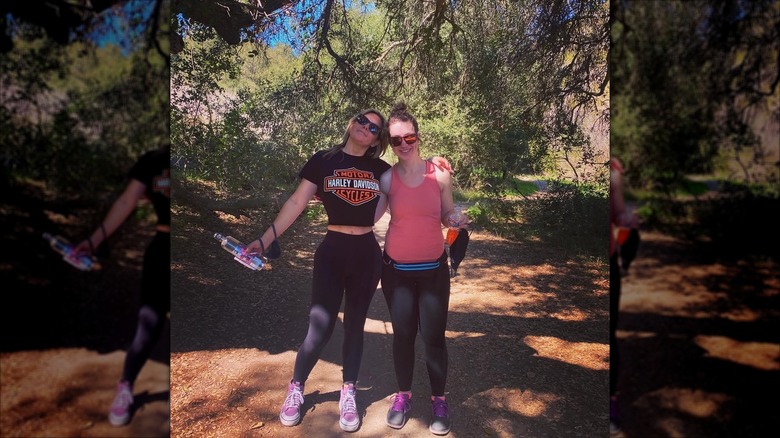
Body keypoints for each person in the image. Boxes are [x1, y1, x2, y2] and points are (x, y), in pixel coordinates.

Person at [244, 109, 390, 432]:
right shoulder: (324, 160)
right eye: (362, 120)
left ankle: (348, 392)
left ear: (376, 140)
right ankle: (296, 387)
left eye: (373, 128)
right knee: (319, 328)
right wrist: (265, 239)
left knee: (355, 326)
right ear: (351, 123)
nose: (365, 127)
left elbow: (401, 192)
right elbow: (296, 202)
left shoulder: (381, 169)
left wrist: (435, 170)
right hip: (332, 252)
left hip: (367, 255)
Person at [378, 102, 465, 435]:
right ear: (390, 143)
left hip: (433, 271)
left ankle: (439, 400)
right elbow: (370, 215)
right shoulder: (387, 178)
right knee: (403, 336)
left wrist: (456, 219)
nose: (403, 144)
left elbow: (446, 213)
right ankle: (403, 397)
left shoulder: (439, 173)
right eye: (396, 140)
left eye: (409, 137)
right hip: (396, 272)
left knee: (434, 338)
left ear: (418, 136)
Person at [73, 144, 171, 427]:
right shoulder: (153, 160)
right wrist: (94, 241)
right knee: (149, 323)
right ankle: (125, 385)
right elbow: (127, 201)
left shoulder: (189, 154)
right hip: (161, 249)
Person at [609, 156, 627, 436]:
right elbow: (620, 213)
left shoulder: (614, 172)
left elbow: (621, 214)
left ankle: (611, 399)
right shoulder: (613, 172)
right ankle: (611, 401)